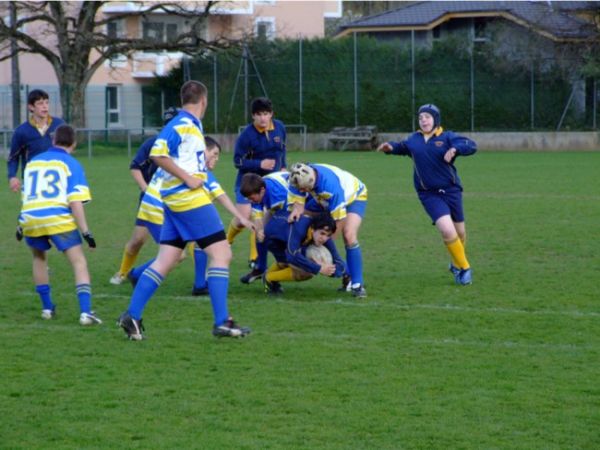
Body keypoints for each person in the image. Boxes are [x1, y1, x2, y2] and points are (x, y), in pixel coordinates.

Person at [117, 80, 253, 340]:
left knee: (165, 260)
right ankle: (222, 321)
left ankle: (132, 316)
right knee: (222, 254)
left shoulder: (190, 125)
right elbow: (158, 153)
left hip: (172, 203)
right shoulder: (183, 125)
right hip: (188, 200)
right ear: (204, 101)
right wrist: (188, 179)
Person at [128, 137, 247, 297]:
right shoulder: (196, 169)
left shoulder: (184, 162)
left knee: (200, 238)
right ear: (203, 151)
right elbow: (220, 195)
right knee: (176, 255)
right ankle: (136, 276)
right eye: (214, 153)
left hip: (162, 206)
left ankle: (199, 285)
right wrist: (241, 216)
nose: (216, 159)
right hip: (157, 209)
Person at [377, 103, 477, 285]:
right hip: (428, 193)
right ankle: (464, 268)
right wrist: (389, 147)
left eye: (427, 117)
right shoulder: (414, 139)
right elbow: (401, 147)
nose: (423, 120)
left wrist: (455, 149)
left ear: (436, 120)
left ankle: (456, 263)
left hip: (451, 190)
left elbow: (470, 145)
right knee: (447, 230)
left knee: (460, 232)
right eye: (421, 117)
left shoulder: (447, 137)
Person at [19, 124, 101, 325]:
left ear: (53, 141)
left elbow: (27, 197)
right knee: (78, 262)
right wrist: (86, 232)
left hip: (30, 217)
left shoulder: (33, 163)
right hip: (57, 218)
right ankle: (86, 313)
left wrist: (20, 225)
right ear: (74, 143)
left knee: (39, 259)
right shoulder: (71, 164)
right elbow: (75, 202)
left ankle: (47, 309)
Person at [109, 107, 179, 285]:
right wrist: (146, 189)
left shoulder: (185, 146)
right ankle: (124, 272)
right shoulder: (153, 143)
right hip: (152, 201)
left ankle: (139, 274)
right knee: (137, 240)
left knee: (179, 250)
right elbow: (135, 167)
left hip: (176, 201)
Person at [227, 97, 287, 284]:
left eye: (266, 114)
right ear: (253, 116)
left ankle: (255, 260)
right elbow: (237, 161)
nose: (263, 118)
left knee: (261, 220)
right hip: (247, 183)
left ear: (272, 114)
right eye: (259, 114)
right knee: (243, 217)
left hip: (269, 185)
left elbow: (281, 150)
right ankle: (227, 239)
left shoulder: (279, 128)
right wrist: (259, 163)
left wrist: (283, 166)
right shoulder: (247, 135)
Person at [288, 163, 368, 297]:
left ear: (312, 182)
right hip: (321, 198)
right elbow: (299, 207)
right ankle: (346, 274)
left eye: (305, 189)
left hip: (354, 196)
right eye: (301, 189)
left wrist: (324, 243)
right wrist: (296, 212)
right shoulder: (297, 178)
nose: (303, 192)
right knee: (304, 219)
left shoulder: (331, 188)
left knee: (349, 235)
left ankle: (357, 284)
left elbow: (339, 221)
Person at [8, 89, 65, 240]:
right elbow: (13, 157)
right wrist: (12, 176)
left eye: (46, 103)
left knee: (54, 214)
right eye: (40, 103)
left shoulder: (59, 125)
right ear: (31, 107)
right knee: (35, 214)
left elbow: (67, 149)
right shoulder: (22, 131)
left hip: (55, 179)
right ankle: (24, 222)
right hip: (32, 180)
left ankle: (24, 222)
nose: (45, 107)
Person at [261, 212, 346, 295]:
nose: (324, 238)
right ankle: (269, 279)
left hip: (286, 239)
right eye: (322, 233)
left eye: (328, 235)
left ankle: (270, 275)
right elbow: (293, 256)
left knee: (302, 262)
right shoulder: (299, 228)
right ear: (312, 229)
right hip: (272, 239)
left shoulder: (321, 233)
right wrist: (319, 268)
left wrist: (331, 271)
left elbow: (338, 260)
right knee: (305, 272)